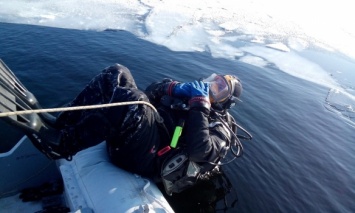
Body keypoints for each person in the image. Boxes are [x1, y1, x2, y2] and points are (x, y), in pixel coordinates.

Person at [1, 62, 249, 195]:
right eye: (214, 81)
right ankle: (63, 124)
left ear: (227, 101)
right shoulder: (192, 97)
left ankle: (61, 146)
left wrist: (199, 107)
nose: (211, 87)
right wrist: (171, 88)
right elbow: (153, 90)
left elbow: (200, 151)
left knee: (135, 104)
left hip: (149, 159)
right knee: (117, 73)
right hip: (141, 138)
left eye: (219, 89)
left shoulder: (221, 129)